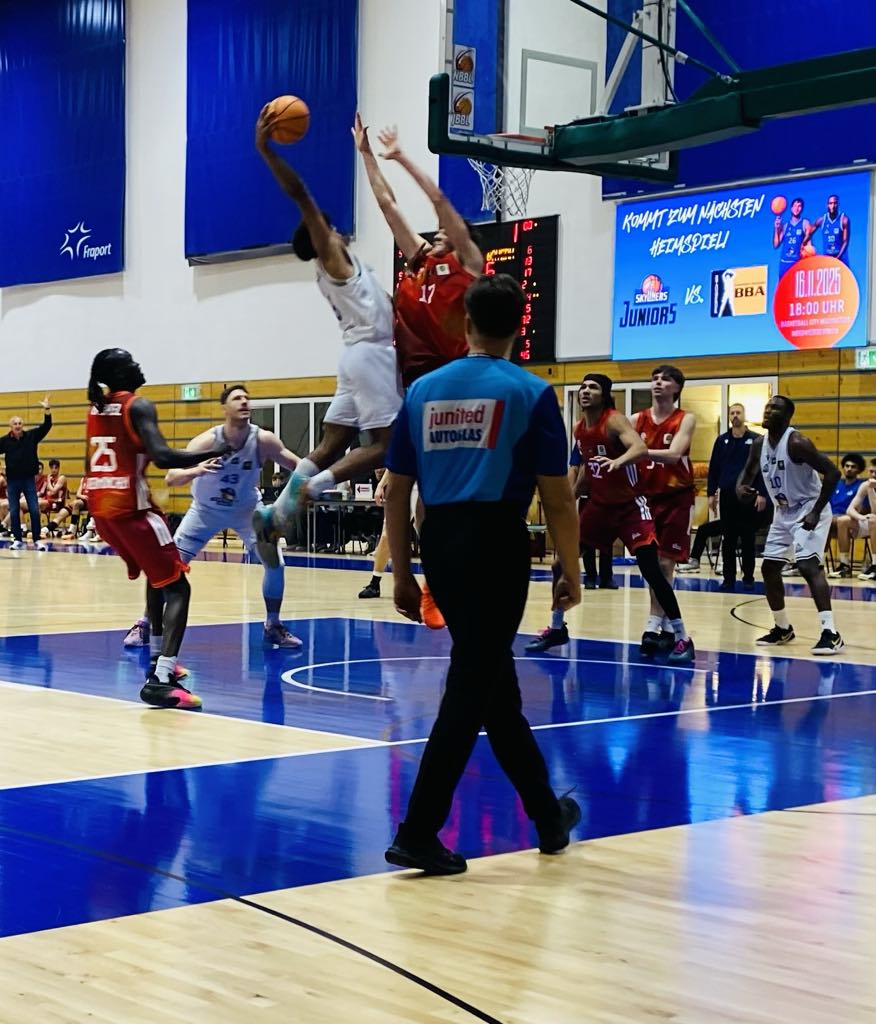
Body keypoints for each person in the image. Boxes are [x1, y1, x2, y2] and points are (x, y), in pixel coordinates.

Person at [382, 273, 582, 875]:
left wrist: (400, 570)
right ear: (519, 327)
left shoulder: (422, 391)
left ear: (465, 323)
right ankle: (418, 831)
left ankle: (548, 816)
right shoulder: (531, 392)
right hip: (497, 544)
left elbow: (396, 490)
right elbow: (558, 497)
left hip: (441, 544)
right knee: (472, 685)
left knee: (496, 688)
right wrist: (569, 569)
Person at [251, 107, 401, 566]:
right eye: (326, 227)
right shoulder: (331, 258)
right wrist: (266, 150)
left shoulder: (346, 268)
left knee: (333, 443)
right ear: (322, 236)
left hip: (354, 356)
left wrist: (367, 156)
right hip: (372, 355)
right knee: (387, 446)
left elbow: (388, 203)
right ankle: (311, 490)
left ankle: (278, 512)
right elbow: (301, 193)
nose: (333, 228)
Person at [354, 114, 484, 629]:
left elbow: (440, 201)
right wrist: (367, 155)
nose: (435, 233)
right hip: (416, 393)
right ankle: (433, 579)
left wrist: (403, 156)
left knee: (455, 496)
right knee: (418, 497)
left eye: (444, 231)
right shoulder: (420, 265)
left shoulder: (469, 264)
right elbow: (388, 208)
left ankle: (464, 572)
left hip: (461, 388)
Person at [86, 348, 231, 708]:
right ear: (120, 375)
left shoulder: (96, 407)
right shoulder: (138, 405)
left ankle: (156, 657)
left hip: (102, 512)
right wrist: (213, 452)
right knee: (178, 587)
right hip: (132, 512)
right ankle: (161, 679)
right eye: (131, 363)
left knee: (157, 578)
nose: (139, 366)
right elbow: (164, 457)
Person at [526, 373, 694, 662]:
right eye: (583, 387)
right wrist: (569, 499)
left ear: (603, 395)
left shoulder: (614, 420)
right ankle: (556, 627)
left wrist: (618, 462)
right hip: (600, 508)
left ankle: (682, 637)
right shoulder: (580, 429)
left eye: (592, 387)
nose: (585, 391)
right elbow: (587, 471)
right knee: (559, 564)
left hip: (631, 507)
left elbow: (640, 448)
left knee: (653, 570)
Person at [123, 385, 302, 652]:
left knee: (276, 563)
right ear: (224, 408)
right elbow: (172, 477)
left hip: (246, 511)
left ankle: (273, 625)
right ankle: (145, 623)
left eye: (247, 398)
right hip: (205, 511)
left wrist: (290, 500)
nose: (244, 402)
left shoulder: (262, 440)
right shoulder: (206, 442)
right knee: (166, 567)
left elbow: (300, 467)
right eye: (237, 398)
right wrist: (197, 469)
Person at [737, 395, 843, 655]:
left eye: (775, 408)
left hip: (809, 507)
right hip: (782, 511)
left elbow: (833, 472)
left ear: (787, 417)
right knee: (769, 568)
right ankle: (782, 628)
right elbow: (748, 471)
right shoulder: (759, 444)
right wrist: (741, 487)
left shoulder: (797, 443)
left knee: (808, 566)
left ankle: (831, 633)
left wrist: (816, 511)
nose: (768, 411)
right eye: (767, 406)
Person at [632, 366, 696, 657]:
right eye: (655, 378)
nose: (658, 382)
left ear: (677, 388)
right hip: (646, 498)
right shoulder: (636, 420)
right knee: (651, 564)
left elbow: (673, 454)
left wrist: (638, 452)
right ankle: (664, 625)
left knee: (665, 563)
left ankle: (654, 624)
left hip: (676, 498)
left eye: (666, 379)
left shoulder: (685, 419)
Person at [680, 403, 767, 590]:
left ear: (744, 415)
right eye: (732, 413)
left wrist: (761, 492)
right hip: (727, 496)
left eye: (738, 413)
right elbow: (714, 468)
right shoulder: (722, 441)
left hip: (748, 496)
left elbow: (762, 469)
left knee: (748, 538)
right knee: (728, 539)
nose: (735, 416)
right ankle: (729, 579)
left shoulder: (756, 440)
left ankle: (748, 578)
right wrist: (711, 493)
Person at [0, 398, 52, 550]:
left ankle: (36, 539)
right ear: (11, 426)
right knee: (14, 510)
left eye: (20, 423)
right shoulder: (5, 441)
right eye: (15, 424)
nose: (17, 425)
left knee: (34, 509)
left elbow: (47, 426)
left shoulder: (31, 436)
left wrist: (47, 410)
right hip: (13, 481)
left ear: (22, 425)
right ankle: (17, 539)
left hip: (28, 479)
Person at [826, 452, 866, 578]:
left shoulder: (861, 486)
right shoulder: (836, 485)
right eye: (847, 466)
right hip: (832, 520)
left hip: (851, 521)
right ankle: (817, 562)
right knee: (820, 521)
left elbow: (861, 509)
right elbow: (828, 506)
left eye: (853, 467)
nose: (849, 469)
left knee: (838, 521)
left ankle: (844, 564)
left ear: (859, 470)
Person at [358, 469, 390, 598]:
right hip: (404, 486)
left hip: (426, 485)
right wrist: (381, 484)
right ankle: (374, 584)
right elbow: (395, 463)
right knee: (386, 536)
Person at [843, 457, 875, 581]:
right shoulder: (865, 485)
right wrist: (862, 517)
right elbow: (850, 509)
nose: (873, 475)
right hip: (872, 523)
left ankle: (875, 565)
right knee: (843, 521)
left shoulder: (870, 486)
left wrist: (871, 490)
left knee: (873, 519)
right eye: (871, 471)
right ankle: (844, 565)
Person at [806, 194, 850, 265]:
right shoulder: (821, 220)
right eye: (830, 203)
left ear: (838, 204)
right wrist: (810, 247)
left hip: (841, 259)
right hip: (827, 259)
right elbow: (808, 233)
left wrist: (838, 257)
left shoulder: (844, 220)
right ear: (827, 205)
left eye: (835, 203)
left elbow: (845, 241)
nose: (833, 206)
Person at [773, 197, 810, 281]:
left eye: (799, 206)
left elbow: (809, 245)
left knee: (797, 287)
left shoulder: (805, 223)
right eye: (795, 206)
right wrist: (776, 228)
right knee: (783, 287)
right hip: (784, 264)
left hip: (797, 263)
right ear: (791, 208)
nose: (797, 208)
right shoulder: (785, 226)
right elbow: (776, 245)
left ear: (802, 209)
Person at [40, 459, 68, 535]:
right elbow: (44, 491)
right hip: (49, 501)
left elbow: (54, 491)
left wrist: (48, 480)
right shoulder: (50, 478)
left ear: (59, 468)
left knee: (38, 504)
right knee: (36, 504)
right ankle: (38, 527)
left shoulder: (61, 478)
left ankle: (43, 529)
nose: (54, 470)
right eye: (52, 468)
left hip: (57, 502)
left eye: (56, 468)